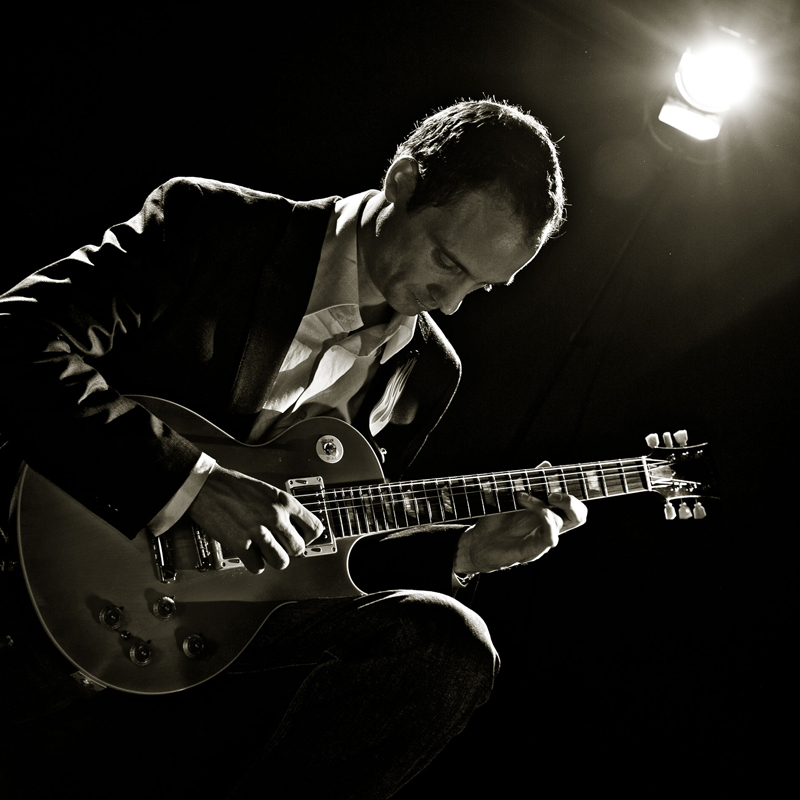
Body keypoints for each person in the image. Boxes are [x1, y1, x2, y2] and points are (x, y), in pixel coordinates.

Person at [0, 99, 587, 797]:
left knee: (448, 645)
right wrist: (192, 482)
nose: (451, 302)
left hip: (219, 646)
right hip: (38, 577)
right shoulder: (214, 226)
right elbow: (13, 340)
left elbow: (333, 550)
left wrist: (462, 552)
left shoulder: (430, 371)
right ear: (402, 183)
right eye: (445, 261)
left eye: (481, 286)